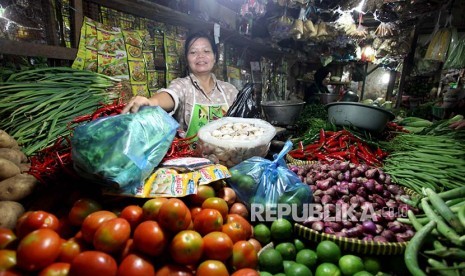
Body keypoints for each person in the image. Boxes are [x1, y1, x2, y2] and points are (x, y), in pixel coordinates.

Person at [121, 31, 239, 137]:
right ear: (187, 59)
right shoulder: (183, 85)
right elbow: (171, 95)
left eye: (206, 51)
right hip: (191, 159)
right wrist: (151, 102)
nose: (200, 56)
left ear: (215, 57)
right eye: (193, 52)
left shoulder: (229, 90)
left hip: (226, 159)